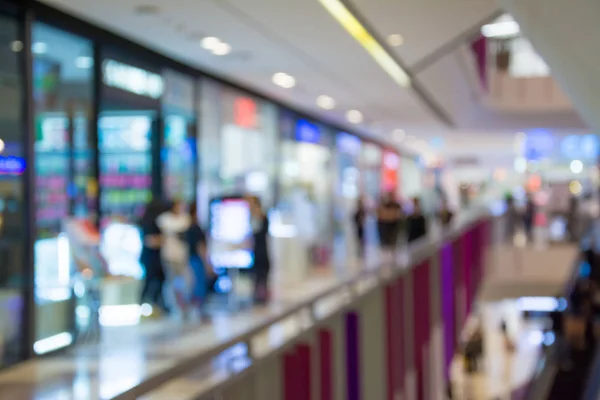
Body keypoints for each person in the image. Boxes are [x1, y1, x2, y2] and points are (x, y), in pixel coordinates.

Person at [157, 200, 192, 314]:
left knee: (188, 281)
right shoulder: (165, 219)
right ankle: (173, 305)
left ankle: (185, 304)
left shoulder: (186, 219)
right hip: (169, 256)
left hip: (182, 256)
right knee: (170, 282)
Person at [139, 199, 168, 313]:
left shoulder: (154, 221)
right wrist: (164, 240)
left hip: (152, 257)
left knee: (158, 279)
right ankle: (145, 304)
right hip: (150, 257)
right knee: (151, 280)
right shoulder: (149, 223)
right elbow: (149, 240)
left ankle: (155, 304)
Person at [186, 202, 213, 316]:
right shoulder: (196, 228)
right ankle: (198, 308)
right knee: (199, 283)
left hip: (191, 259)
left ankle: (196, 308)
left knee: (196, 283)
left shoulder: (189, 228)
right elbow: (200, 247)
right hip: (197, 259)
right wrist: (207, 263)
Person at [248, 195, 271, 304]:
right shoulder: (252, 218)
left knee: (263, 276)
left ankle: (263, 298)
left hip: (262, 252)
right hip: (255, 253)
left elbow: (261, 234)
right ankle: (258, 298)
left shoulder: (262, 218)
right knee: (256, 277)